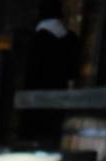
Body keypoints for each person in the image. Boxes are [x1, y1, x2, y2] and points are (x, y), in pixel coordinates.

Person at [19, 0, 81, 147]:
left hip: (33, 107)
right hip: (59, 108)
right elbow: (73, 73)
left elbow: (26, 78)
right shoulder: (72, 39)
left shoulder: (34, 39)